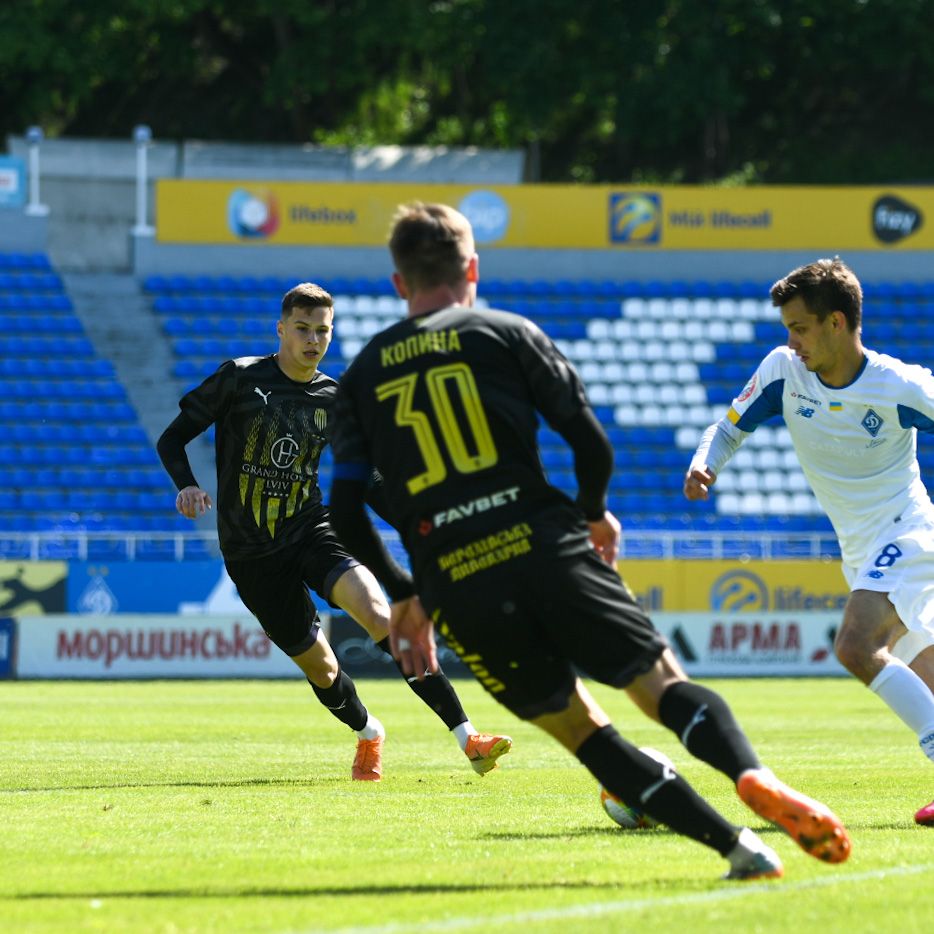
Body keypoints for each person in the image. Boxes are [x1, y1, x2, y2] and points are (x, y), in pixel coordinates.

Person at [328, 201, 851, 880]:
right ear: (473, 269)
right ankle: (751, 777)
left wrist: (405, 595)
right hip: (546, 545)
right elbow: (589, 443)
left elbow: (344, 509)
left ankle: (738, 848)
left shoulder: (363, 373)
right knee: (661, 686)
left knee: (582, 729)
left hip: (458, 581)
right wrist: (596, 512)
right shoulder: (507, 331)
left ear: (399, 283)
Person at [156, 281, 512, 782]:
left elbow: (367, 481)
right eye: (302, 329)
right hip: (252, 554)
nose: (313, 339)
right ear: (281, 330)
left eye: (322, 330)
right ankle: (369, 734)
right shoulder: (238, 379)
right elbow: (172, 439)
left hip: (311, 531)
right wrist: (186, 486)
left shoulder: (336, 398)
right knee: (322, 669)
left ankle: (469, 737)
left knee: (380, 616)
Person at [684, 257, 934, 827]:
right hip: (860, 549)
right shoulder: (782, 372)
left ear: (837, 323)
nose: (791, 340)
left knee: (855, 646)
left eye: (800, 328)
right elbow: (727, 427)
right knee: (925, 666)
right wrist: (706, 464)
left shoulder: (898, 385)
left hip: (909, 530)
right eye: (788, 329)